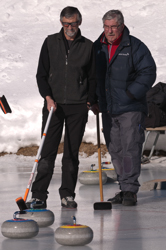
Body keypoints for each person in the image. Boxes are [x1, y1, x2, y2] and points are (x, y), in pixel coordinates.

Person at [26, 6, 97, 209]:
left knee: (71, 153)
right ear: (61, 23)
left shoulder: (88, 46)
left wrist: (89, 101)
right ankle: (39, 195)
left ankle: (67, 194)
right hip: (53, 107)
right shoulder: (50, 42)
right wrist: (47, 98)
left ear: (79, 23)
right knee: (47, 152)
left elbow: (93, 78)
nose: (69, 27)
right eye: (66, 24)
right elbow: (41, 75)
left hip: (77, 107)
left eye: (73, 23)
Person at [94, 10, 156, 206]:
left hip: (130, 107)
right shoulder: (97, 47)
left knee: (130, 147)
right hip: (108, 107)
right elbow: (91, 75)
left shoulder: (134, 46)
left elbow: (148, 72)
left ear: (121, 26)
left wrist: (130, 94)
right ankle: (123, 186)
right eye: (107, 26)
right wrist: (93, 98)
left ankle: (130, 189)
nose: (110, 31)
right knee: (115, 149)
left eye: (113, 26)